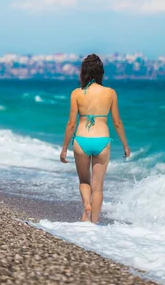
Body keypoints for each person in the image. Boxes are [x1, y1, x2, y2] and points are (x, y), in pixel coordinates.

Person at [60, 53, 130, 223]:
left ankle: (86, 204)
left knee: (84, 180)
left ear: (83, 72)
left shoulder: (76, 93)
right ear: (101, 72)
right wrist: (125, 145)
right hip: (102, 141)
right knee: (98, 188)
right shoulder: (110, 93)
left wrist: (64, 148)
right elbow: (117, 122)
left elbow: (71, 123)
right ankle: (93, 224)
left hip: (81, 140)